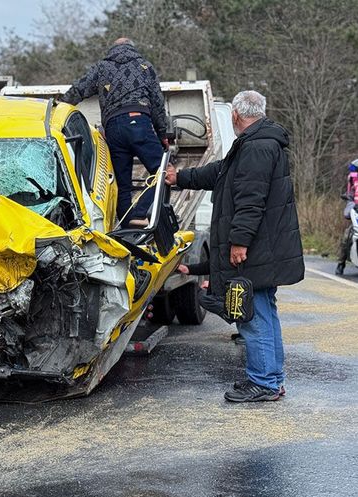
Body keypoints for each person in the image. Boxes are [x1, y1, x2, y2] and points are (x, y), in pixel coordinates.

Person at [165, 90, 304, 402]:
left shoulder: (256, 146)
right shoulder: (259, 143)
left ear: (236, 116)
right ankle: (272, 379)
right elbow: (221, 174)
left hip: (256, 249)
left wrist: (239, 241)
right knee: (264, 313)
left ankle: (265, 383)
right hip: (265, 249)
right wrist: (181, 178)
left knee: (252, 317)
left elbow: (250, 200)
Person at [59, 37, 169, 228]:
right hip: (138, 122)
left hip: (113, 129)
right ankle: (140, 212)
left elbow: (79, 89)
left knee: (122, 184)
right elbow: (157, 102)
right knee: (164, 173)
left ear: (113, 49)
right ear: (132, 48)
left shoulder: (101, 67)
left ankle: (127, 225)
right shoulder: (144, 66)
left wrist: (58, 108)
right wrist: (163, 134)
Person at [335, 159, 358, 275]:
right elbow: (350, 194)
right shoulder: (353, 178)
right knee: (347, 235)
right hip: (356, 210)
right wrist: (350, 201)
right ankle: (341, 263)